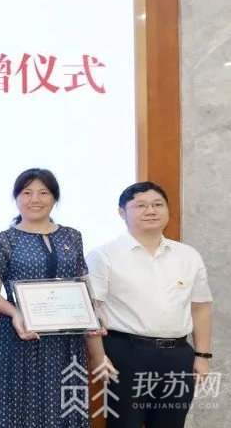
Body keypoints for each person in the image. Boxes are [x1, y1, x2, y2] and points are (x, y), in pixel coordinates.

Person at [86, 181, 213, 428]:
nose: (151, 211)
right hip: (126, 354)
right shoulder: (104, 255)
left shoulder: (188, 255)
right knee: (125, 424)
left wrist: (202, 356)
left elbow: (200, 308)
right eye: (140, 205)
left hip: (178, 355)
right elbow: (92, 311)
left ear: (167, 210)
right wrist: (98, 356)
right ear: (122, 213)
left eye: (158, 204)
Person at [0, 168, 101, 428]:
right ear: (16, 198)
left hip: (67, 339)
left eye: (43, 193)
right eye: (27, 193)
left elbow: (82, 284)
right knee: (21, 406)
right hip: (21, 337)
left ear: (54, 198)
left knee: (65, 403)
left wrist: (94, 314)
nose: (35, 199)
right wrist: (15, 313)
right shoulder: (3, 241)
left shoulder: (72, 236)